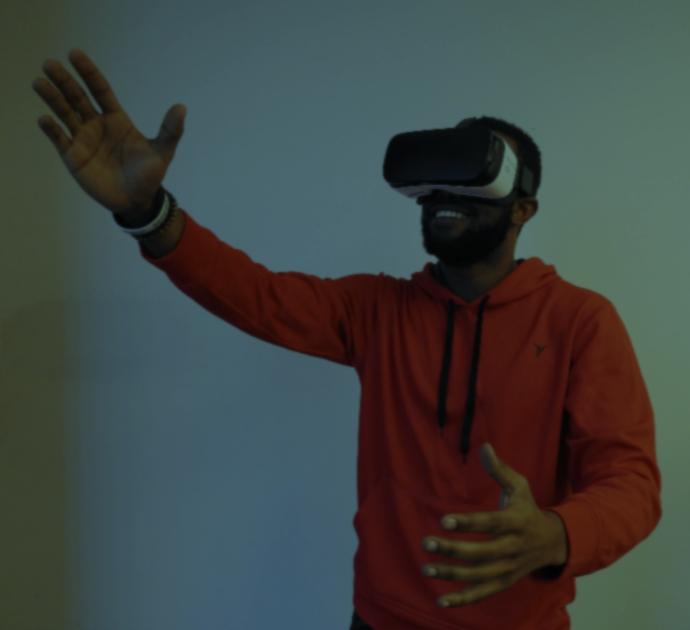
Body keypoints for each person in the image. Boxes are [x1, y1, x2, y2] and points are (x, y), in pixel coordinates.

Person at [33, 49, 662, 630]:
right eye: (437, 179)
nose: (445, 195)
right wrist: (146, 211)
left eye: (471, 178)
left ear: (522, 209)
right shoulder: (379, 310)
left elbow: (631, 482)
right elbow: (256, 295)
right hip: (380, 620)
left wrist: (557, 534)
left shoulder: (580, 321)